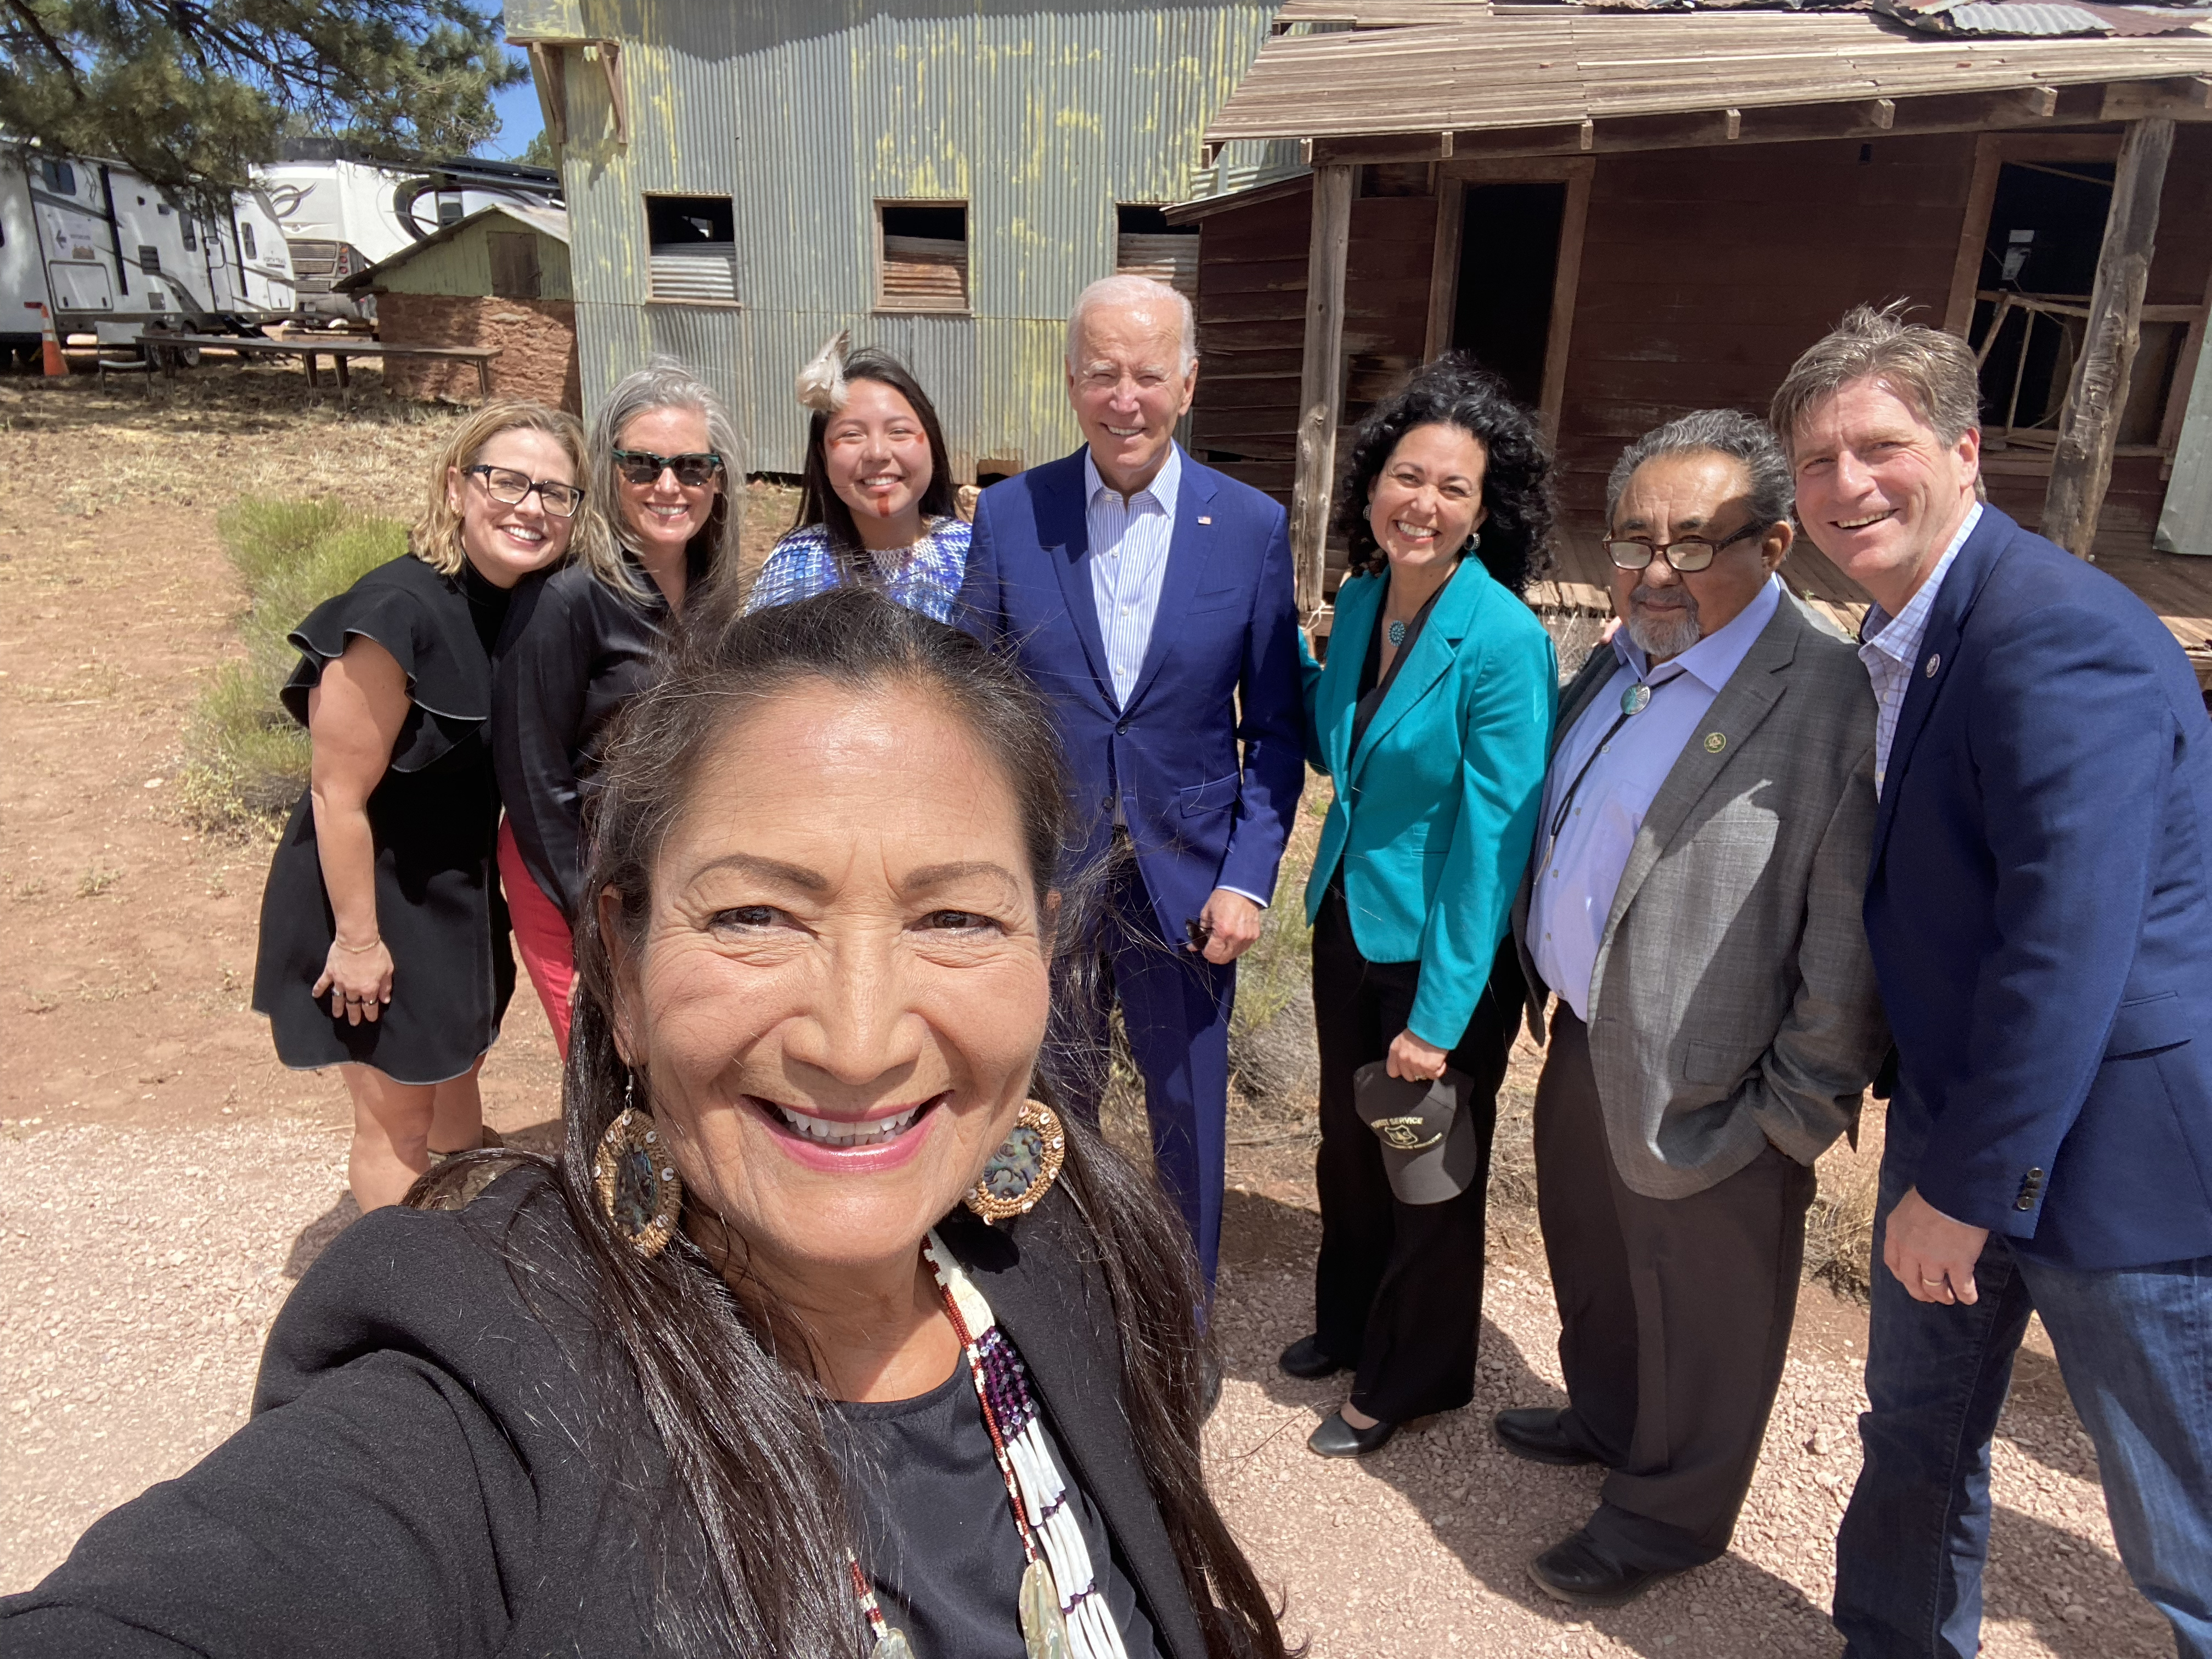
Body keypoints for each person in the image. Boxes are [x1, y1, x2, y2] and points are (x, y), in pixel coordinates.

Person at [1, 590, 1290, 1659]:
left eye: (952, 918)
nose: (858, 1040)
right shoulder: (487, 1397)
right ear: (616, 966)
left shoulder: (1075, 1254)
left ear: (1044, 948)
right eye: (752, 918)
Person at [1769, 306, 2212, 1658]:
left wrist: (1962, 1192)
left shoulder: (2052, 634)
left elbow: (2065, 946)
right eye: (1818, 461)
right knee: (1916, 1435)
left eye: (1882, 447)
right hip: (1964, 1126)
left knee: (2182, 1515)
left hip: (2107, 1155)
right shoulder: (1916, 633)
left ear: (1967, 451)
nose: (1849, 486)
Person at [1499, 409, 1889, 1606]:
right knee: (1600, 1261)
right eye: (1632, 541)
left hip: (1724, 1082)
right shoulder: (1626, 654)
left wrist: (1796, 1110)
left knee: (1707, 1308)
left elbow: (1848, 929)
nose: (1655, 571)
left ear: (1773, 547)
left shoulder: (1827, 696)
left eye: (1694, 542)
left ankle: (1669, 1516)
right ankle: (1613, 1418)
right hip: (1586, 1032)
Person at [955, 274, 1306, 1289]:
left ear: (1186, 383)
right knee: (1048, 1107)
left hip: (1189, 884)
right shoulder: (1017, 514)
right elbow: (976, 701)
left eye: (1147, 374)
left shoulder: (1247, 526)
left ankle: (1181, 1320)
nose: (1125, 399)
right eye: (1102, 373)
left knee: (1186, 1116)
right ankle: (1060, 1307)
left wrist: (1245, 878)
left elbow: (1274, 732)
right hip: (1050, 881)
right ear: (1071, 383)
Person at [1280, 356, 1555, 1459]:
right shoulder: (1357, 602)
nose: (1424, 504)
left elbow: (1495, 844)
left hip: (1444, 955)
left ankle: (1411, 1377)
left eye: (1453, 488)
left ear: (1486, 513)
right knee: (1349, 1147)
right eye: (1407, 475)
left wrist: (1441, 1016)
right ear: (1373, 485)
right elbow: (1333, 744)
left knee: (1426, 1167)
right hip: (1350, 917)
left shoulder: (1503, 641)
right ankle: (1348, 1324)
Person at [249, 402, 584, 1211]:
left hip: (458, 887)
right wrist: (359, 941)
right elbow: (337, 794)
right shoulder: (396, 613)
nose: (531, 507)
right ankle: (399, 1297)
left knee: (459, 1059)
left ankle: (464, 1182)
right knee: (395, 1122)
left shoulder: (526, 606)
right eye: (508, 481)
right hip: (373, 890)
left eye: (556, 492)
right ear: (456, 486)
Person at [494, 358, 737, 1056]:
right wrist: (590, 914)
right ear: (609, 473)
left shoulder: (718, 600)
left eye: (692, 468)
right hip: (571, 858)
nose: (669, 486)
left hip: (671, 862)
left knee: (681, 1056)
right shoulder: (566, 600)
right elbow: (532, 775)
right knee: (610, 1056)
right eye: (644, 466)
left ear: (717, 481)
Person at [748, 335, 969, 622]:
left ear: (933, 446)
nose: (877, 453)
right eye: (851, 435)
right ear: (823, 456)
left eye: (899, 431)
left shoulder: (976, 553)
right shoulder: (794, 565)